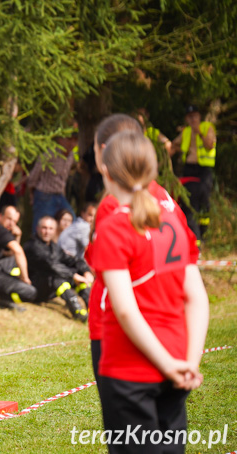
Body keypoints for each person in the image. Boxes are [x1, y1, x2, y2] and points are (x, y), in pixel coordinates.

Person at [88, 131, 208, 452]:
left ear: (106, 171)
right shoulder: (173, 220)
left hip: (130, 368)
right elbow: (196, 297)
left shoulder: (114, 226)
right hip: (177, 358)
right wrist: (187, 362)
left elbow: (125, 309)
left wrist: (167, 364)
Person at [85, 114, 199, 387]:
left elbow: (102, 270)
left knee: (128, 429)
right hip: (171, 330)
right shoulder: (166, 201)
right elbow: (193, 288)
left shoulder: (115, 208)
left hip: (122, 336)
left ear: (104, 154)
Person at [23, 216, 90, 321]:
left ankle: (92, 308)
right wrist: (73, 275)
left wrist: (86, 271)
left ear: (55, 230)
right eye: (44, 228)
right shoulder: (32, 246)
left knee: (79, 276)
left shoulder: (54, 248)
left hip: (50, 288)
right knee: (56, 278)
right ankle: (78, 312)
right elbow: (50, 265)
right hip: (34, 288)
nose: (47, 232)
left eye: (50, 229)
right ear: (38, 228)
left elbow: (73, 260)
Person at [169, 104, 216, 241]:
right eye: (189, 117)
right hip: (189, 170)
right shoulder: (186, 132)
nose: (193, 119)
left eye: (195, 116)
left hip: (204, 171)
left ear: (199, 116)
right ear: (186, 119)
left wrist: (199, 132)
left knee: (204, 203)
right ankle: (194, 238)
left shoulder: (207, 128)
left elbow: (209, 145)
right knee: (190, 203)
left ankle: (203, 233)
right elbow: (174, 145)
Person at [27, 136, 76, 233]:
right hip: (44, 194)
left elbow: (63, 179)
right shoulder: (50, 153)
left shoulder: (71, 156)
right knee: (42, 226)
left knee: (72, 220)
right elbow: (35, 174)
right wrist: (33, 193)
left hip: (59, 195)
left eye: (74, 140)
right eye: (68, 139)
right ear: (60, 140)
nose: (71, 143)